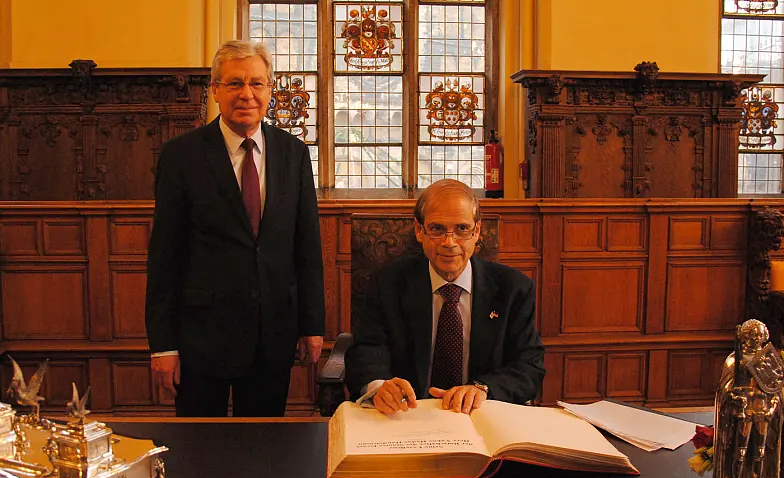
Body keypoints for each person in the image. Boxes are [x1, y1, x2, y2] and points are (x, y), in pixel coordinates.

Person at [145, 40, 325, 417]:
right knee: (198, 452)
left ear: (270, 90)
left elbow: (306, 246)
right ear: (215, 90)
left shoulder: (294, 154)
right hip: (201, 337)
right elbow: (164, 257)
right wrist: (163, 346)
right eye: (234, 84)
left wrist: (312, 324)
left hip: (272, 333)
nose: (247, 94)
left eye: (257, 84)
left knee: (264, 448)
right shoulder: (182, 156)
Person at [345, 179, 545, 415]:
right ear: (419, 230)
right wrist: (379, 387)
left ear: (477, 231)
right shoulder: (387, 283)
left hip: (480, 415)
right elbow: (366, 349)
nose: (449, 243)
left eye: (462, 229)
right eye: (437, 229)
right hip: (407, 415)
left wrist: (483, 389)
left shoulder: (514, 288)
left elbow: (529, 365)